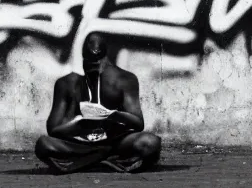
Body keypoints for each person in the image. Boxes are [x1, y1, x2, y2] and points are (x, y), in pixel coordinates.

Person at [34, 32, 161, 173]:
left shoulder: (125, 79)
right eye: (88, 63)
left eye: (97, 63)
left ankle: (86, 161)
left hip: (114, 141)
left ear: (106, 59)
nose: (92, 67)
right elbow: (52, 129)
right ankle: (102, 158)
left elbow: (138, 123)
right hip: (80, 144)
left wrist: (113, 116)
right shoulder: (66, 83)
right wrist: (78, 125)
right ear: (82, 59)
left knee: (150, 143)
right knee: (42, 144)